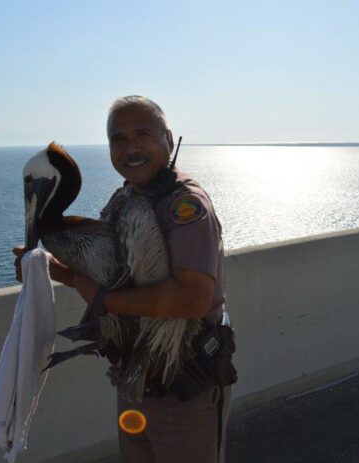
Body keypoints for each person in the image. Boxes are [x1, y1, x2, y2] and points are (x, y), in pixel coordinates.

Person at [14, 95, 232, 463]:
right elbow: (121, 282)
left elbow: (191, 299)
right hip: (136, 379)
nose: (131, 148)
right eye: (119, 139)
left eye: (143, 134)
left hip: (183, 386)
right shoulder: (127, 198)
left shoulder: (185, 207)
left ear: (168, 137)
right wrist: (55, 271)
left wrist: (95, 296)